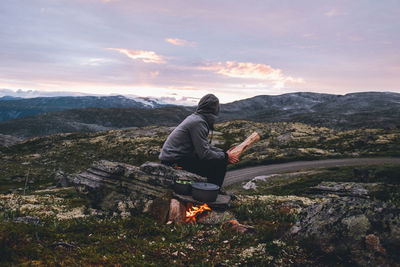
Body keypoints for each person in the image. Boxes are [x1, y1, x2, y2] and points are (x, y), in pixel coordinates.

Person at [159, 94, 239, 187]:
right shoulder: (198, 122)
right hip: (174, 161)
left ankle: (207, 189)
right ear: (216, 109)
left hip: (175, 158)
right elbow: (204, 154)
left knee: (217, 159)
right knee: (219, 164)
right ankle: (212, 192)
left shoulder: (196, 118)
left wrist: (223, 153)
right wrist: (225, 157)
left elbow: (204, 146)